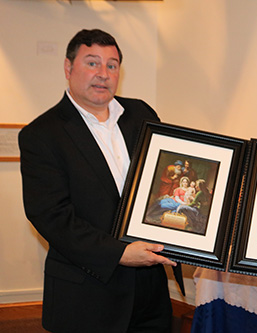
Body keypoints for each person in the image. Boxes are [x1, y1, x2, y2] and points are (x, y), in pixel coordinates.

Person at [19, 29, 180, 332]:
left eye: (112, 65)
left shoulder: (141, 113)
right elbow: (52, 217)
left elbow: (165, 183)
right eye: (92, 63)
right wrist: (119, 253)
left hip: (150, 292)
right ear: (68, 68)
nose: (103, 74)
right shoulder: (41, 134)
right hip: (87, 296)